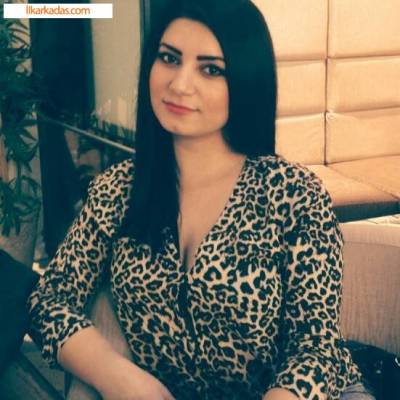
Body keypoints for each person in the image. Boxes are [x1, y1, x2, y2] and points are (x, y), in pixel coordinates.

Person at [27, 0, 375, 399]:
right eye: (169, 58)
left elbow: (315, 348)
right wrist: (117, 375)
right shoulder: (117, 190)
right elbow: (48, 299)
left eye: (211, 69)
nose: (180, 84)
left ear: (245, 81)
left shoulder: (294, 194)